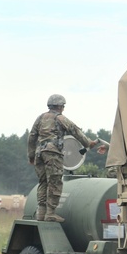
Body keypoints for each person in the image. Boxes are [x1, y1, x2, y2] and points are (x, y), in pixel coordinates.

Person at [27, 94, 97, 223]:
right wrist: (88, 143)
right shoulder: (60, 118)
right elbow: (75, 131)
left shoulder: (40, 118)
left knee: (43, 182)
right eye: (63, 106)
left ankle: (41, 213)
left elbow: (32, 137)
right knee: (55, 182)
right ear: (60, 106)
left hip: (39, 154)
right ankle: (50, 213)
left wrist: (31, 156)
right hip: (53, 154)